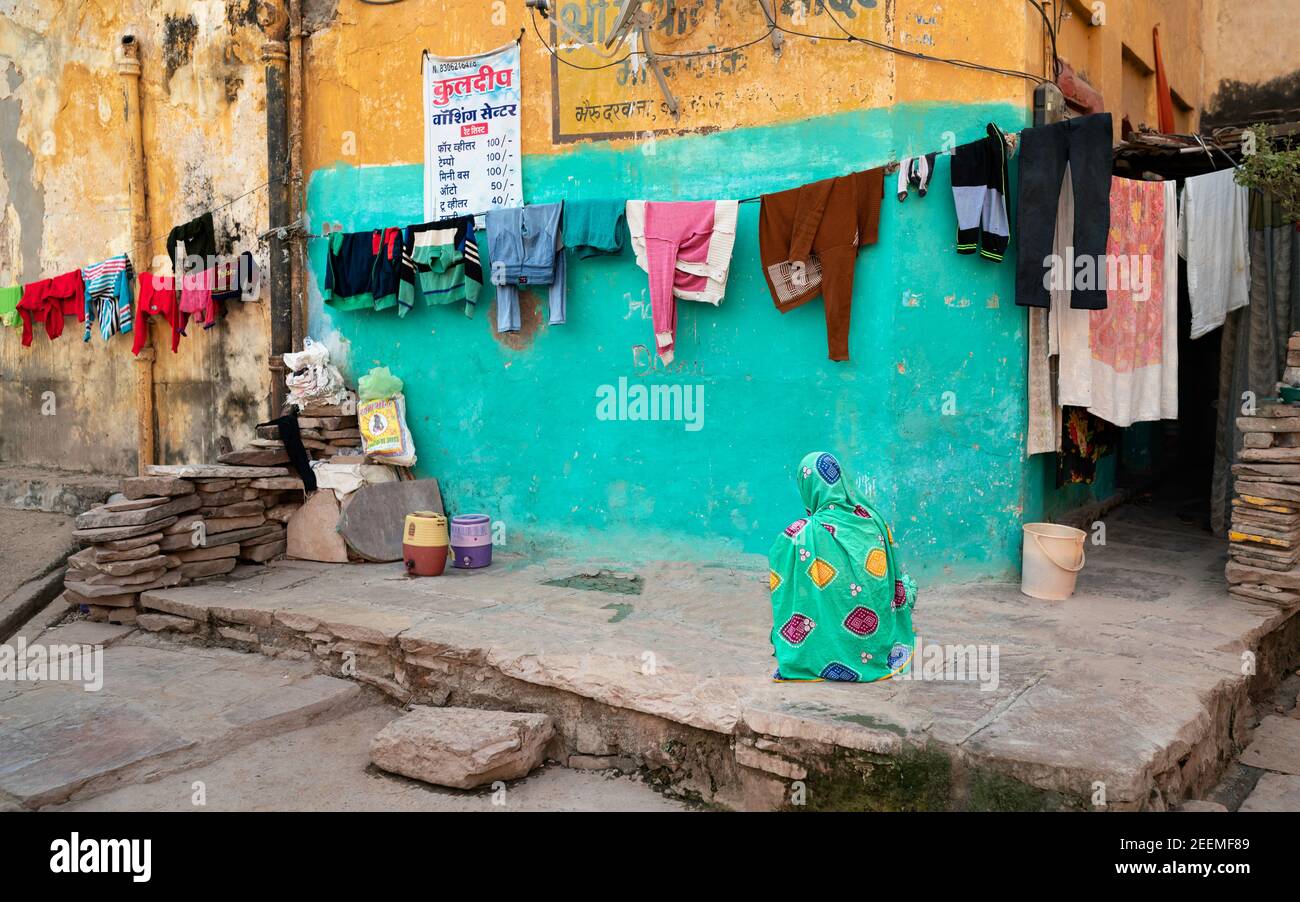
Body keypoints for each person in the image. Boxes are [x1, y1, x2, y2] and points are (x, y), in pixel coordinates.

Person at [767, 451, 917, 682]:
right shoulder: (872, 520)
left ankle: (828, 649)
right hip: (878, 637)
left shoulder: (803, 534)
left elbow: (778, 554)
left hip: (831, 636)